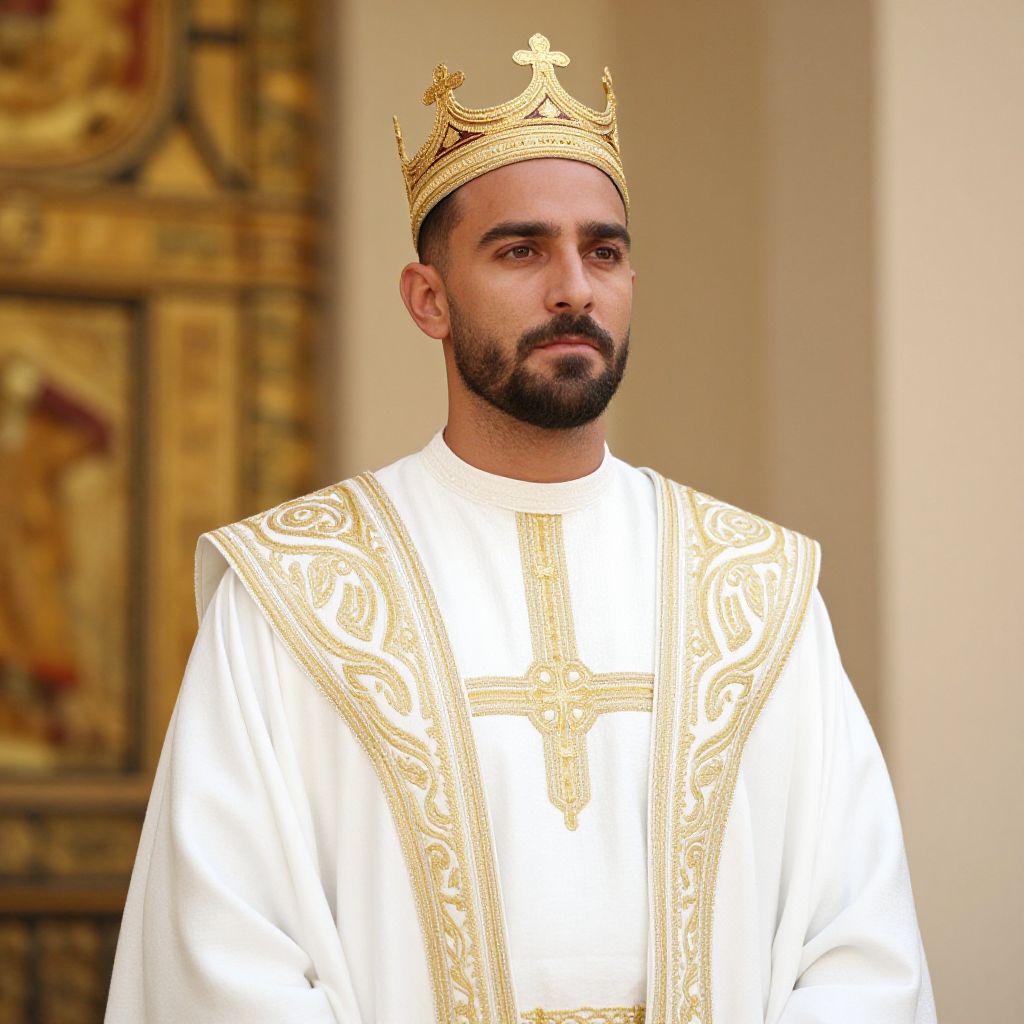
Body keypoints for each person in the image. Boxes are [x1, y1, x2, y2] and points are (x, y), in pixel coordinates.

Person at [106, 33, 936, 1024]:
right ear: (428, 299)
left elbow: (857, 946)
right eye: (520, 249)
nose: (573, 287)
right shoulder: (292, 597)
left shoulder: (756, 593)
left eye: (604, 250)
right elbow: (223, 952)